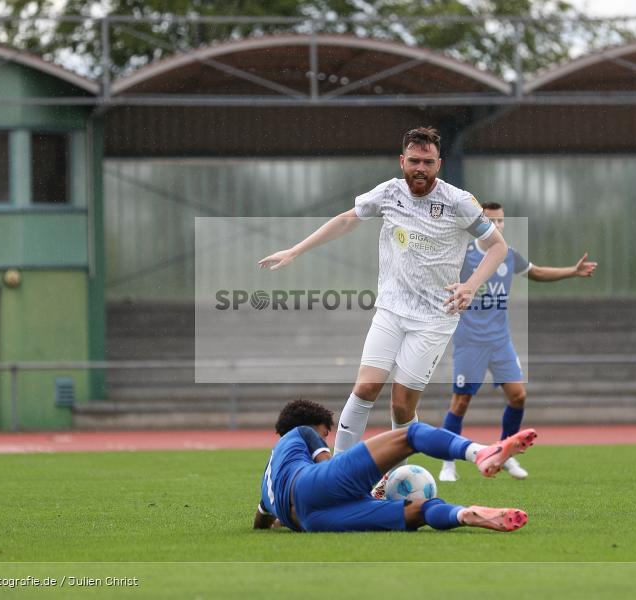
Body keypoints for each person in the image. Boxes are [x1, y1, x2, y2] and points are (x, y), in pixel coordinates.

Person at [259, 127, 508, 455]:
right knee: (365, 388)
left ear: (439, 164)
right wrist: (295, 250)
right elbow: (347, 220)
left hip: (435, 317)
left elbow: (498, 246)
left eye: (428, 162)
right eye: (414, 161)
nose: (421, 168)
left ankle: (396, 477)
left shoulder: (459, 202)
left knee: (402, 406)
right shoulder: (389, 192)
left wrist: (471, 285)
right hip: (391, 309)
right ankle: (339, 472)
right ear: (402, 161)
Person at [439, 202, 597, 483]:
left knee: (518, 396)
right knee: (460, 402)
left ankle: (505, 453)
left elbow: (537, 273)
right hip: (470, 341)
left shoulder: (509, 255)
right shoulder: (463, 255)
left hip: (500, 341)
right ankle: (447, 463)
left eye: (500, 221)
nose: (497, 226)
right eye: (491, 221)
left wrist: (572, 271)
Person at [254, 399, 537, 533]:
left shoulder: (268, 480)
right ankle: (480, 453)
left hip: (313, 522)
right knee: (411, 435)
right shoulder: (302, 433)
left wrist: (279, 521)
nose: (325, 439)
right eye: (325, 433)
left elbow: (261, 520)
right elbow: (328, 469)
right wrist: (361, 481)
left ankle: (465, 515)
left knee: (419, 512)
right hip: (311, 486)